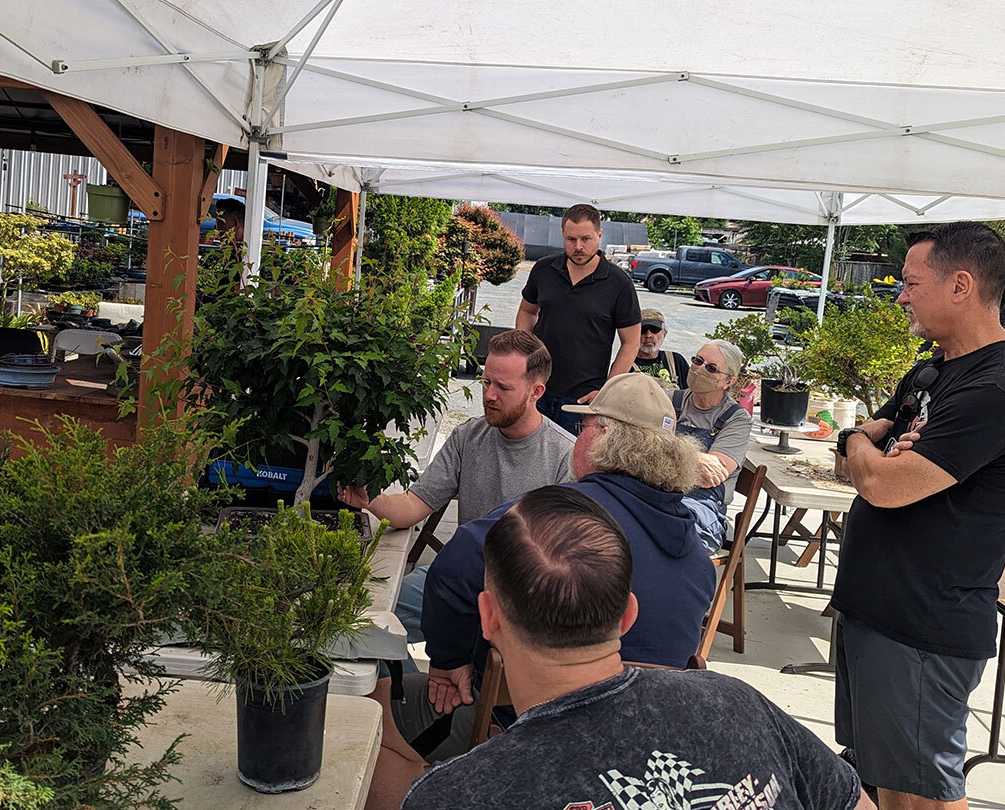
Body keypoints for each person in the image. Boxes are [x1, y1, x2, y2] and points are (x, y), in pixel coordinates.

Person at [400, 486, 874, 810]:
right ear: (628, 615)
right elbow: (851, 801)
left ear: (488, 618)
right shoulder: (737, 701)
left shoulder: (457, 795)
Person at [364, 373, 715, 810]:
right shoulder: (699, 560)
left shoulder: (559, 513)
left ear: (602, 436)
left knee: (370, 713)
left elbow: (455, 567)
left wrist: (449, 661)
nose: (578, 436)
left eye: (584, 425)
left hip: (524, 726)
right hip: (637, 751)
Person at [831, 222, 1005, 810]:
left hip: (924, 628)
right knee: (882, 782)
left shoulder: (992, 389)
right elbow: (858, 463)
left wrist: (861, 441)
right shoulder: (931, 370)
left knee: (921, 795)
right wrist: (867, 447)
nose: (901, 296)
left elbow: (880, 481)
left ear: (961, 285)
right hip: (877, 613)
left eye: (910, 283)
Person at [339, 330, 575, 657]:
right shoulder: (469, 436)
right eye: (486, 382)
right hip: (459, 578)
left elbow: (563, 564)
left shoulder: (565, 456)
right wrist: (370, 500)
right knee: (367, 622)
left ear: (536, 392)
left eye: (503, 387)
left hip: (521, 596)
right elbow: (412, 505)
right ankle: (398, 689)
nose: (489, 395)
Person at [516, 204, 642, 434]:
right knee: (528, 451)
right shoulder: (544, 269)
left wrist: (607, 391)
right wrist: (525, 352)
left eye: (586, 239)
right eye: (571, 239)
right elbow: (527, 311)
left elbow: (631, 342)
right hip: (536, 388)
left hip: (582, 400)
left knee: (573, 457)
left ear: (599, 235)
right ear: (562, 235)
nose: (578, 247)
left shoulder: (619, 283)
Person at [670, 339, 752, 551]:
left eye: (711, 368)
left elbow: (709, 477)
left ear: (729, 381)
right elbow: (639, 450)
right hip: (660, 495)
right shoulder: (670, 400)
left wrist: (664, 452)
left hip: (701, 507)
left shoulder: (736, 419)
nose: (699, 369)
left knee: (672, 534)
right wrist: (696, 457)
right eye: (697, 361)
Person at [634, 308, 690, 388]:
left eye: (654, 329)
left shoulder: (677, 361)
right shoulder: (625, 364)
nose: (648, 335)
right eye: (643, 330)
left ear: (665, 333)